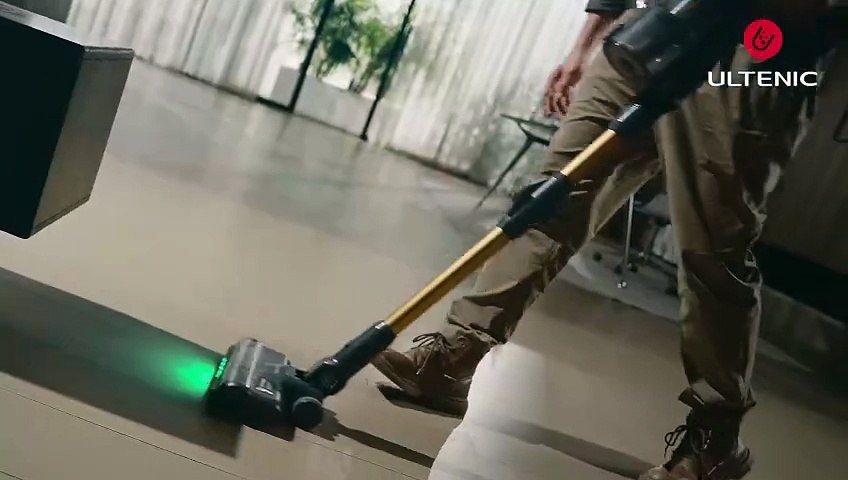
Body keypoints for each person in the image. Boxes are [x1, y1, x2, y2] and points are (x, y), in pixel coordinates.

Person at [372, 1, 835, 479]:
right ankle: (455, 356)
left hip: (757, 49)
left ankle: (716, 436)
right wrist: (586, 40)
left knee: (713, 249)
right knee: (552, 198)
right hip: (654, 24)